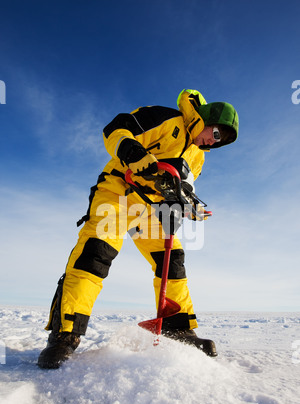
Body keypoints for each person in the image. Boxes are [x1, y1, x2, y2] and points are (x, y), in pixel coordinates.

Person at [38, 89, 239, 369]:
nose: (212, 143)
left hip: (151, 207)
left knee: (172, 262)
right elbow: (116, 129)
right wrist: (134, 153)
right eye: (216, 135)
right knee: (96, 253)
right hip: (119, 190)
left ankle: (177, 329)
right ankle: (65, 334)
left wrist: (186, 205)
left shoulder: (197, 156)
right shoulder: (167, 118)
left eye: (220, 143)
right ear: (207, 119)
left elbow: (185, 187)